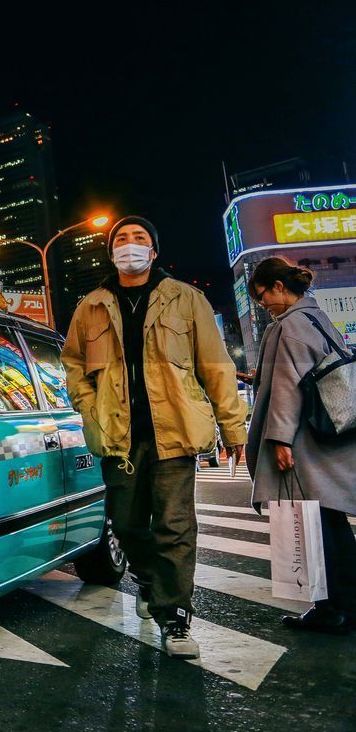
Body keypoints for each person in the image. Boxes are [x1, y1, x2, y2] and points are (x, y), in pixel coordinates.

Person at [63, 216, 247, 659]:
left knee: (174, 525)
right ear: (111, 253)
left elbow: (216, 367)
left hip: (175, 433)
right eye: (121, 240)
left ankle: (175, 617)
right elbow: (72, 363)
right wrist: (89, 406)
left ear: (154, 251)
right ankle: (147, 581)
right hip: (117, 436)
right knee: (125, 524)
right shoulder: (91, 305)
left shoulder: (187, 299)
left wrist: (233, 426)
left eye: (139, 239)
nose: (130, 246)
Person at [245, 256, 356, 634]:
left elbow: (287, 388)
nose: (263, 305)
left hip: (302, 442)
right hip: (326, 436)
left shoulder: (288, 326)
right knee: (331, 522)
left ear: (278, 286)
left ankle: (330, 609)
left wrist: (279, 440)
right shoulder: (316, 316)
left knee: (312, 527)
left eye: (262, 296)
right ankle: (345, 605)